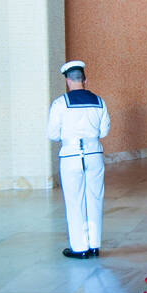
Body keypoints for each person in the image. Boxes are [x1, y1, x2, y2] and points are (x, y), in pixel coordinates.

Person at [47, 60, 110, 258]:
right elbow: (104, 131)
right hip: (94, 155)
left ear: (67, 81)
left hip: (71, 155)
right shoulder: (99, 102)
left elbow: (52, 134)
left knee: (74, 201)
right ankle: (94, 245)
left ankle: (79, 247)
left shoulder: (60, 104)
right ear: (85, 79)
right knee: (95, 198)